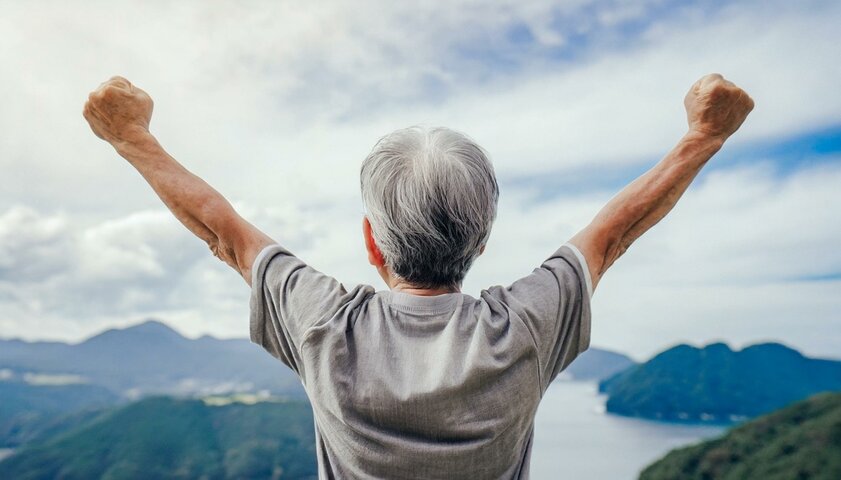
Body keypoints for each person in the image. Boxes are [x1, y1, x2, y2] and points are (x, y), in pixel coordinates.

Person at [83, 73, 753, 479]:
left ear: (371, 241)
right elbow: (614, 233)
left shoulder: (324, 323)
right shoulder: (522, 328)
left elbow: (220, 229)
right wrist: (702, 136)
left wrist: (130, 136)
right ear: (482, 239)